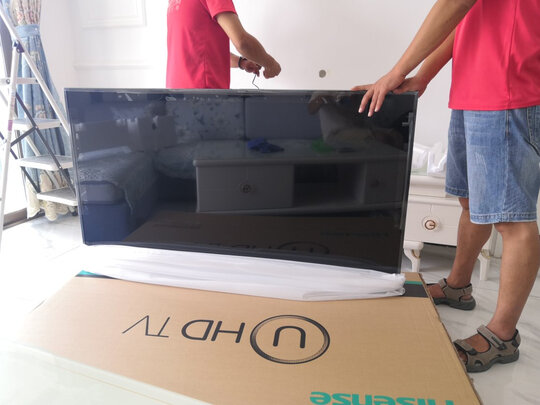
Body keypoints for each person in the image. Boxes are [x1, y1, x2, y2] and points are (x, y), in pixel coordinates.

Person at [352, 0, 540, 373]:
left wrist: (396, 72)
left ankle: (503, 336)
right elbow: (465, 16)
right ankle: (458, 286)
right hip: (473, 89)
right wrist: (423, 76)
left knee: (512, 220)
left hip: (508, 87)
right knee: (470, 201)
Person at [166, 0, 281, 89]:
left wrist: (241, 62)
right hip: (204, 99)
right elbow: (242, 42)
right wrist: (270, 64)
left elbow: (200, 53)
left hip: (175, 97)